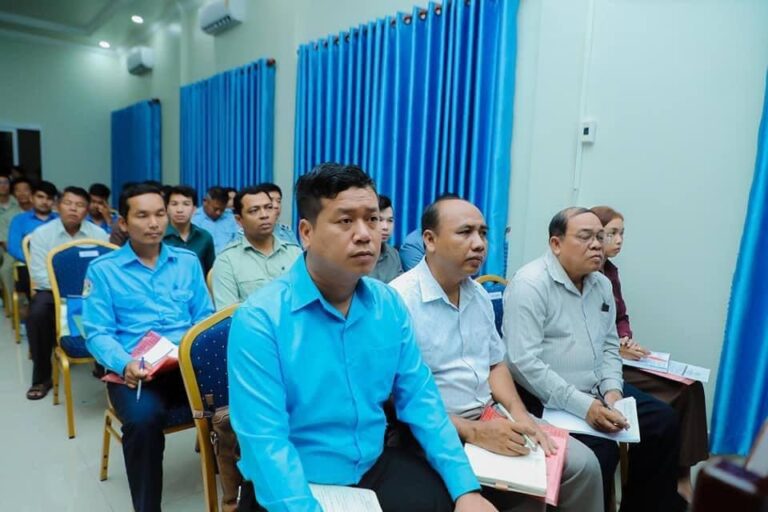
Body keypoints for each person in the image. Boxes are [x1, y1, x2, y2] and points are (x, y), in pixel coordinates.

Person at [229, 163, 497, 512]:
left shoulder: (388, 305)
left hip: (373, 466)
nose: (365, 234)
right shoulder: (260, 320)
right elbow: (266, 445)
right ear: (306, 233)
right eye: (345, 221)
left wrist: (466, 489)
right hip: (294, 481)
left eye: (372, 219)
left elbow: (421, 401)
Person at [391, 196, 603, 512]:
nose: (479, 244)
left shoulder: (479, 295)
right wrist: (474, 432)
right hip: (436, 428)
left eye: (483, 233)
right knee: (528, 491)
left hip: (490, 414)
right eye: (465, 232)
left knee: (585, 465)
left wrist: (520, 414)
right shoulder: (399, 300)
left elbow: (496, 365)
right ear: (430, 240)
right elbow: (395, 397)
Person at [503, 207, 684, 512]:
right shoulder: (530, 284)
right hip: (546, 397)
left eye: (600, 237)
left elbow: (610, 345)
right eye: (586, 237)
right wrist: (584, 407)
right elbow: (523, 363)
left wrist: (613, 391)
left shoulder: (601, 284)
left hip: (597, 388)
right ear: (556, 243)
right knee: (601, 453)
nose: (597, 245)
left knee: (662, 422)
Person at [82, 183, 213, 512]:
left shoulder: (187, 262)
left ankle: (241, 494)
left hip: (186, 366)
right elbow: (97, 333)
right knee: (142, 421)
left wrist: (194, 350)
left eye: (159, 214)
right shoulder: (104, 271)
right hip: (137, 373)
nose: (154, 223)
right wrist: (124, 363)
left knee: (245, 397)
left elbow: (204, 317)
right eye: (142, 215)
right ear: (124, 223)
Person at [591, 205, 709, 502]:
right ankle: (663, 481)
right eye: (611, 233)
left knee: (691, 387)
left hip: (621, 355)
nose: (619, 240)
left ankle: (682, 478)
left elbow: (620, 317)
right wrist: (616, 347)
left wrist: (625, 338)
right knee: (667, 407)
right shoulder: (585, 274)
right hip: (605, 364)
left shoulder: (610, 273)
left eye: (622, 233)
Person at [24, 186, 109, 399]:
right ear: (58, 206)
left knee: (116, 306)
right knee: (37, 313)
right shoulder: (42, 234)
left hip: (91, 292)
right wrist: (69, 292)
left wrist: (86, 293)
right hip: (53, 291)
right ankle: (42, 377)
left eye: (80, 205)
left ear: (87, 210)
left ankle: (105, 365)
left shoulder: (99, 234)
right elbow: (39, 275)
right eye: (68, 203)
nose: (73, 209)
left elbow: (106, 270)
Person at [212, 185, 301, 310]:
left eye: (269, 208)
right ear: (239, 220)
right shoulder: (227, 261)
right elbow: (228, 315)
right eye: (254, 210)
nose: (264, 215)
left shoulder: (295, 253)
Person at [163, 185, 216, 276]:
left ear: (194, 209)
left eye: (186, 204)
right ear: (167, 208)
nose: (180, 210)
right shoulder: (159, 237)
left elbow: (210, 273)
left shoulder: (204, 237)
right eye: (174, 204)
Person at [7, 180, 58, 263]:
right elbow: (14, 248)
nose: (44, 202)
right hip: (29, 264)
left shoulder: (60, 219)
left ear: (54, 201)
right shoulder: (19, 220)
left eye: (49, 198)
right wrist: (35, 261)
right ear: (31, 198)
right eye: (40, 197)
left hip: (60, 264)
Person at [192, 186, 240, 254]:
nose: (218, 213)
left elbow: (237, 240)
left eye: (222, 209)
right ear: (205, 201)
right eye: (215, 209)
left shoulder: (231, 218)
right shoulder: (193, 219)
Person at [368, 194, 403, 283]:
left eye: (390, 220)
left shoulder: (394, 254)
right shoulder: (356, 254)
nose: (385, 227)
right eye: (380, 220)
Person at [0, 172, 21, 308]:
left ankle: (13, 307)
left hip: (13, 246)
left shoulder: (18, 203)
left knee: (5, 269)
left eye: (5, 182)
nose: (2, 186)